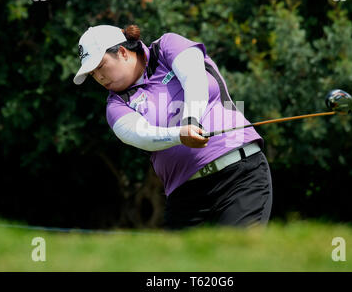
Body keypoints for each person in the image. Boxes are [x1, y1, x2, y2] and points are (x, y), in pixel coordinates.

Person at [73, 24, 272, 229]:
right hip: (185, 197)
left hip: (239, 173)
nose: (98, 77)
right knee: (180, 262)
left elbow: (194, 78)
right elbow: (140, 134)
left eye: (100, 66)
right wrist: (179, 135)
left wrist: (191, 121)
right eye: (92, 74)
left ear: (122, 52)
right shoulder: (116, 104)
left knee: (238, 255)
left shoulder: (167, 46)